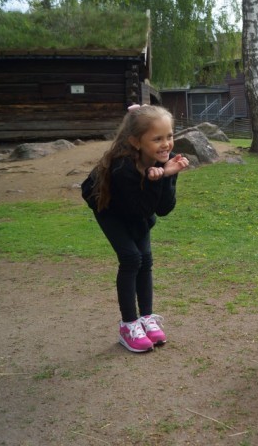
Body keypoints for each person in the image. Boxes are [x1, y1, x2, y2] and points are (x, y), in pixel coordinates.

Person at [82, 104, 189, 353]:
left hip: (136, 211)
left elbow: (162, 209)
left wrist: (168, 175)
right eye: (157, 138)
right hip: (110, 211)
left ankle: (146, 319)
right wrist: (160, 177)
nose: (166, 144)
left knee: (146, 259)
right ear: (136, 141)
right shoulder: (123, 167)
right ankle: (128, 325)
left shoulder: (163, 161)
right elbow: (139, 209)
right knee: (131, 259)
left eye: (170, 136)